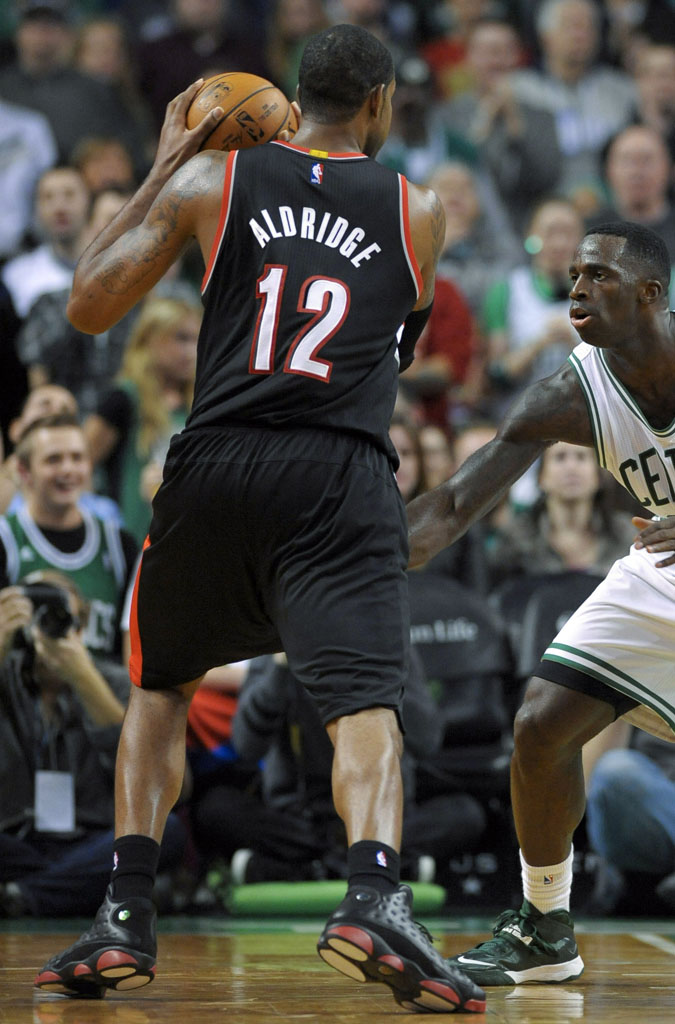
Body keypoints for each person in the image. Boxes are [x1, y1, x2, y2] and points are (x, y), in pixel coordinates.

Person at [35, 24, 485, 1014]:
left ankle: (126, 908)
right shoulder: (420, 213)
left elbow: (88, 306)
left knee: (158, 687)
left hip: (218, 460)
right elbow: (392, 353)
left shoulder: (214, 187)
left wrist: (166, 167)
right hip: (339, 472)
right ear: (378, 105)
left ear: (291, 97)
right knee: (364, 703)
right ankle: (373, 893)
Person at [406, 219, 675, 987]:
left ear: (651, 294)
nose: (579, 289)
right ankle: (544, 924)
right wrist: (349, 553)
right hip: (659, 567)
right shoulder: (574, 389)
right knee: (539, 725)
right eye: (573, 277)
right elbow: (454, 505)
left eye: (600, 276)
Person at [0, 570, 185, 918]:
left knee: (168, 832)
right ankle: (71, 891)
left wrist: (85, 680)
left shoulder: (116, 681)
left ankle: (26, 896)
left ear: (81, 628)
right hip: (18, 839)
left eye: (55, 617)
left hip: (91, 841)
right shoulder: (6, 675)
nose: (43, 631)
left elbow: (174, 784)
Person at [0, 413, 137, 660]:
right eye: (53, 459)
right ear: (24, 470)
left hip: (103, 693)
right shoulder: (6, 540)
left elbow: (132, 658)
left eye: (77, 458)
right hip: (22, 694)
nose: (68, 469)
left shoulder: (120, 545)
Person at [84, 295, 201, 545]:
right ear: (150, 338)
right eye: (181, 338)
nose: (191, 351)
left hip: (181, 539)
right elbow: (81, 464)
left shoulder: (200, 403)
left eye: (196, 340)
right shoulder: (123, 399)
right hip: (129, 540)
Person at [1, 164, 91, 322]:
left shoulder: (114, 269)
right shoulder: (15, 277)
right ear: (36, 208)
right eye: (48, 197)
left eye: (69, 194)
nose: (59, 207)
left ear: (88, 200)